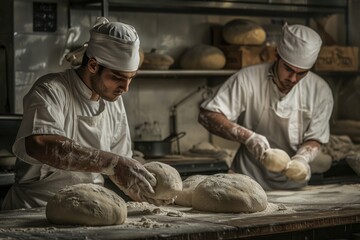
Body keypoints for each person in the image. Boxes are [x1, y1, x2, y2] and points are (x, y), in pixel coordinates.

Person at [2, 17, 172, 210]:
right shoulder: (51, 90)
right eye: (117, 78)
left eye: (131, 78)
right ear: (93, 65)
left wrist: (144, 192)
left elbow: (121, 166)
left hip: (89, 208)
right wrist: (112, 163)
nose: (125, 88)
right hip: (35, 210)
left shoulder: (114, 102)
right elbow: (39, 144)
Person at [199, 23, 334, 190]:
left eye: (301, 73)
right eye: (288, 69)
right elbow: (208, 114)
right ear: (277, 54)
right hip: (245, 183)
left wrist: (302, 159)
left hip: (295, 188)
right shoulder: (248, 79)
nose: (292, 79)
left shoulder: (320, 91)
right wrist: (247, 137)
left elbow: (315, 137)